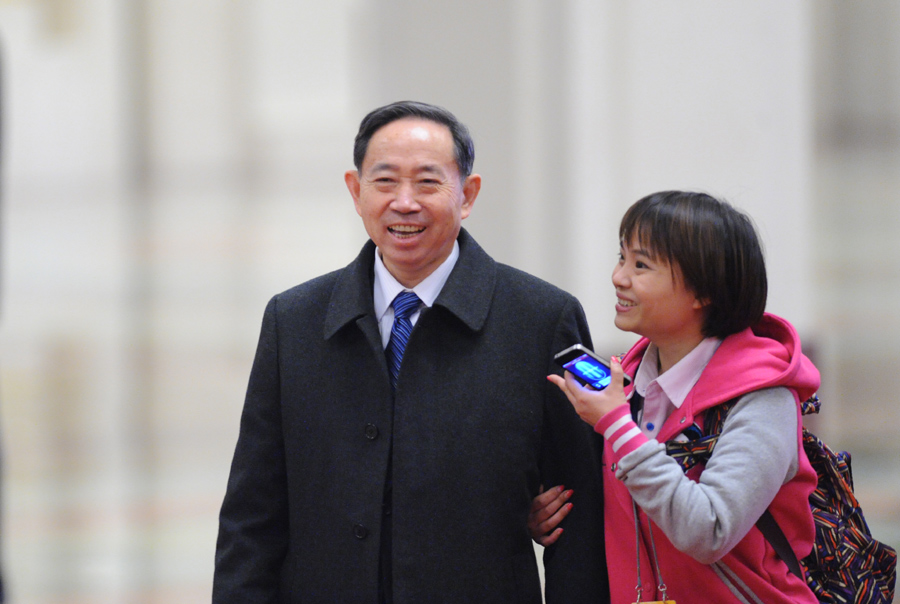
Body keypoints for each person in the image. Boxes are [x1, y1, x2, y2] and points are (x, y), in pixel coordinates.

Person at [213, 100, 608, 603]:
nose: (404, 203)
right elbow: (252, 514)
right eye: (384, 181)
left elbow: (579, 517)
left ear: (467, 194)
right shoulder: (293, 320)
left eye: (427, 182)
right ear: (355, 191)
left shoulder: (543, 319)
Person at [536, 191, 820, 603]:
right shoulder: (625, 383)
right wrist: (546, 515)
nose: (619, 277)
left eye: (641, 265)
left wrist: (617, 426)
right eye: (621, 258)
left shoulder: (763, 397)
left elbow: (708, 530)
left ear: (703, 292)